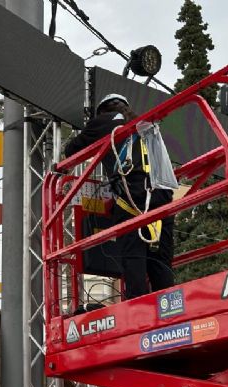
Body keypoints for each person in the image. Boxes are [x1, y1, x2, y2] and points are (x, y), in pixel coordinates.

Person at [64, 93, 174, 299]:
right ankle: (170, 308)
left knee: (133, 257)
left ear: (102, 110)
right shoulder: (144, 123)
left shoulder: (104, 121)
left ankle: (138, 310)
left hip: (132, 197)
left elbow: (71, 150)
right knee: (160, 260)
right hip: (162, 195)